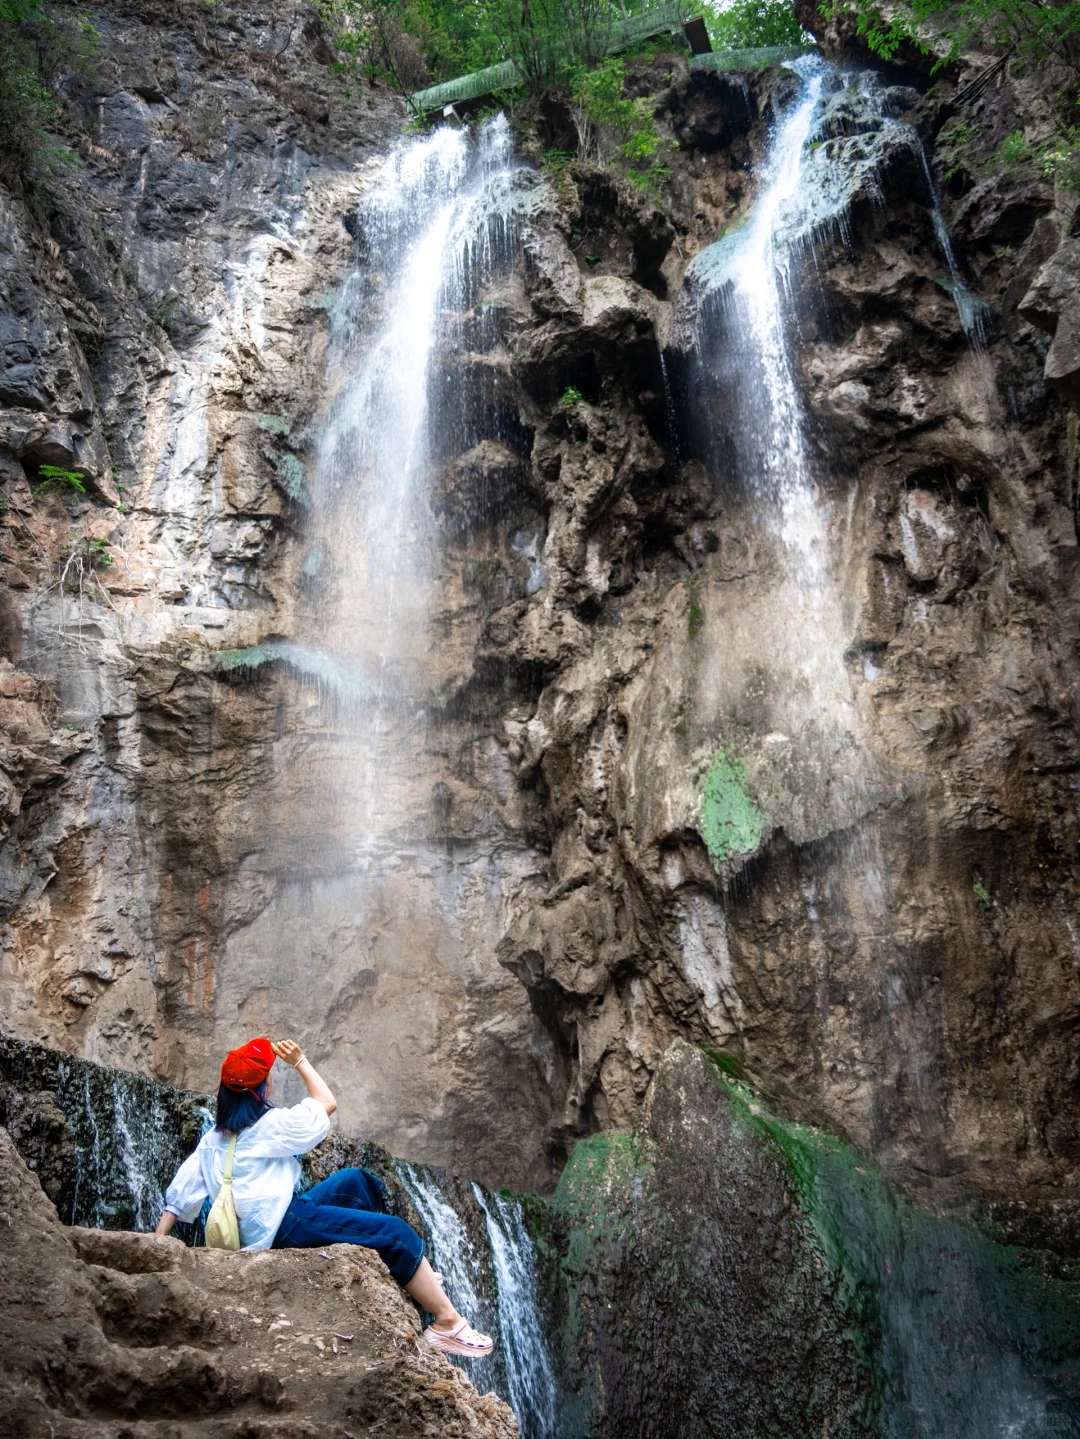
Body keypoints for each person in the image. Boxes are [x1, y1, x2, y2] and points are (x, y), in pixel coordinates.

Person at [154, 1036, 493, 1358]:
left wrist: (156, 1244)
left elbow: (179, 1196)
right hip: (282, 1229)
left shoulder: (214, 1139)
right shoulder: (271, 1126)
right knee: (396, 1234)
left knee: (355, 1182)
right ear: (264, 1090)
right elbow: (327, 1103)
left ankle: (399, 1271)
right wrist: (300, 1060)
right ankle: (447, 1323)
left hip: (269, 1225)